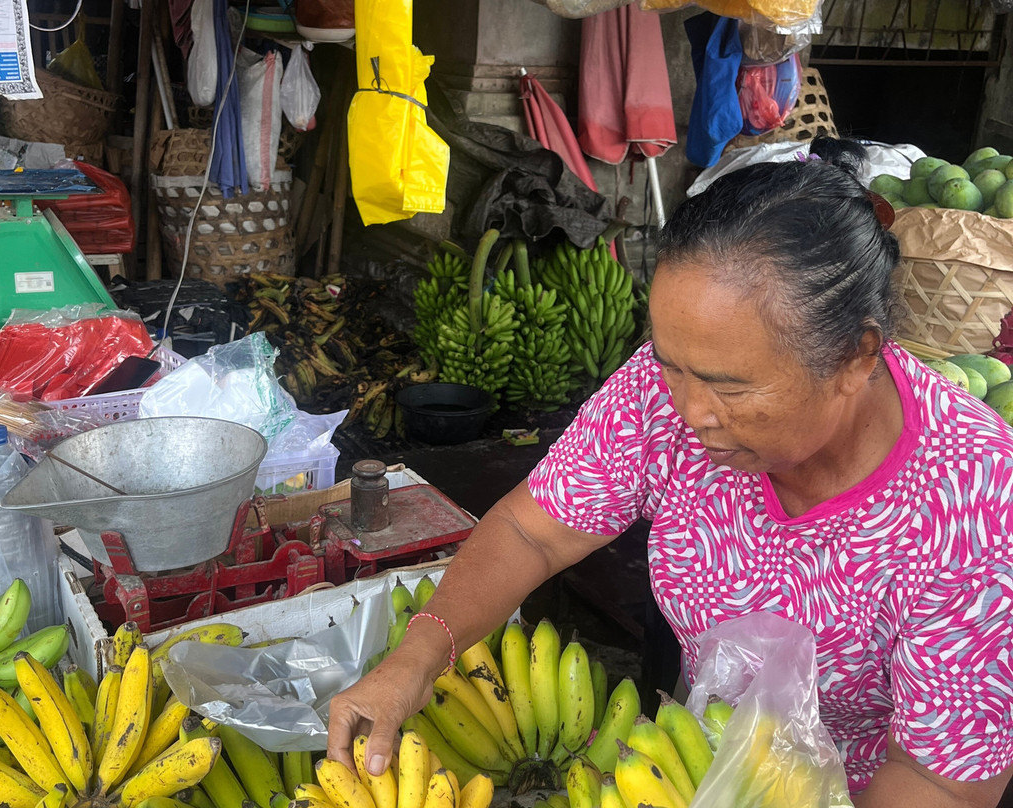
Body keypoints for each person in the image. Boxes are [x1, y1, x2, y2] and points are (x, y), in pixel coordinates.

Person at [326, 138, 1013, 808]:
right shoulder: (659, 399)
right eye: (668, 364)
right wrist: (419, 654)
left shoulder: (975, 503)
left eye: (729, 388)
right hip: (690, 765)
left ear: (858, 357)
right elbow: (533, 533)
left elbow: (940, 779)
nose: (689, 412)